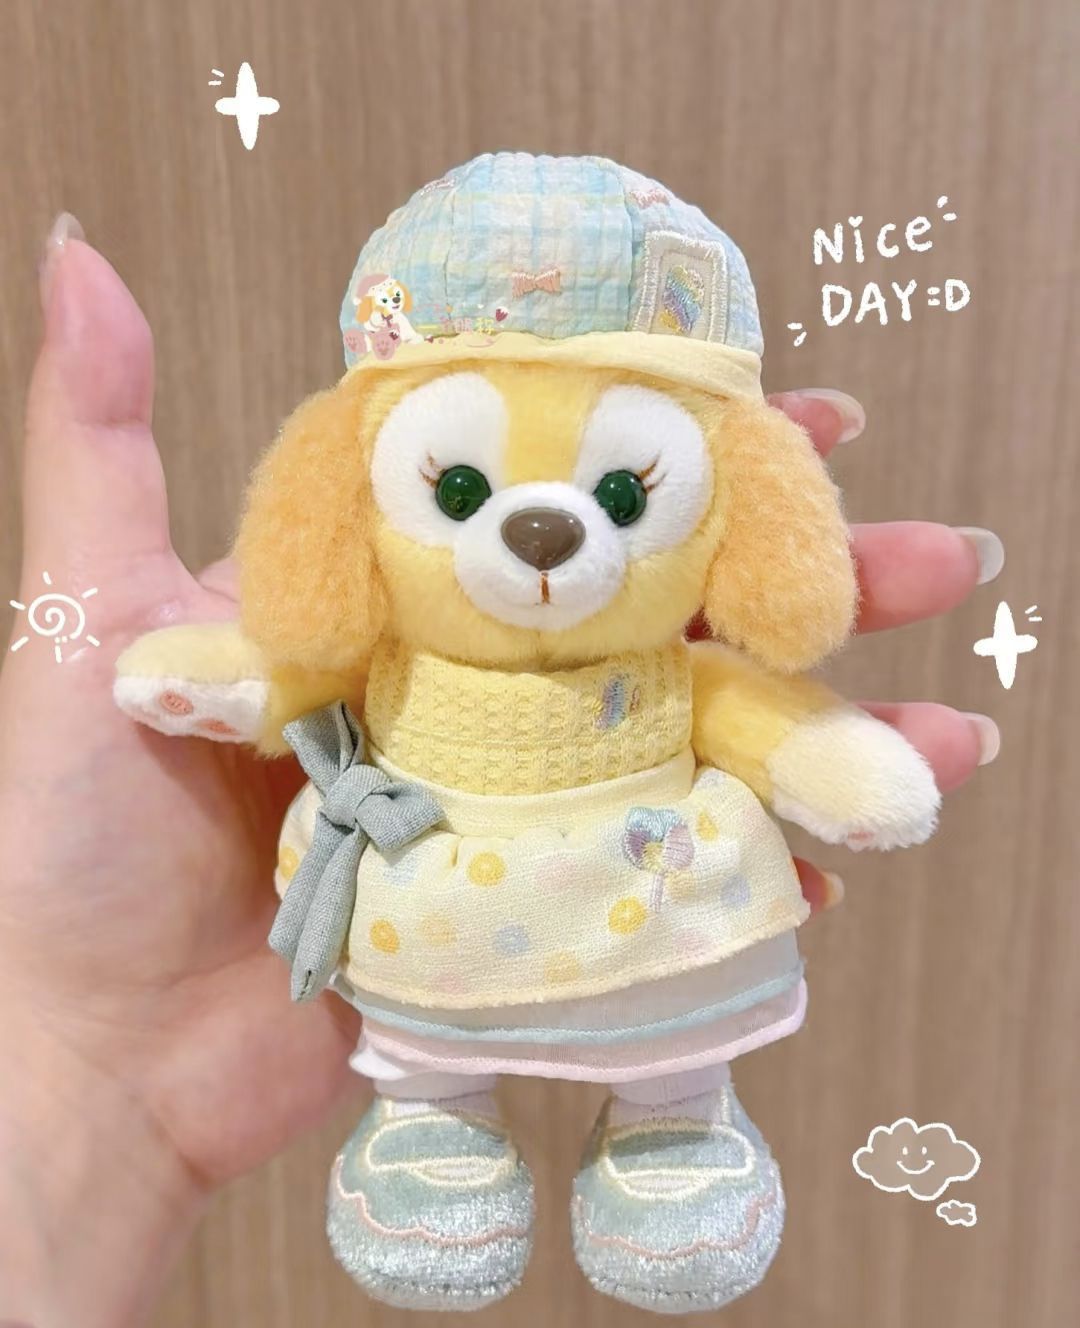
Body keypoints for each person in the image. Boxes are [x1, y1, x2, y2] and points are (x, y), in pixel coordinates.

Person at [0, 215, 1002, 1328]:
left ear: (743, 498)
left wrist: (837, 764)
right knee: (425, 1056)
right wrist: (224, 678)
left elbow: (758, 715)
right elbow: (286, 675)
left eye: (623, 498)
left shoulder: (677, 675)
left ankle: (676, 1119)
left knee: (673, 1051)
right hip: (432, 920)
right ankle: (431, 1123)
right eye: (458, 489)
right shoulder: (385, 663)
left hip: (650, 913)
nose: (543, 533)